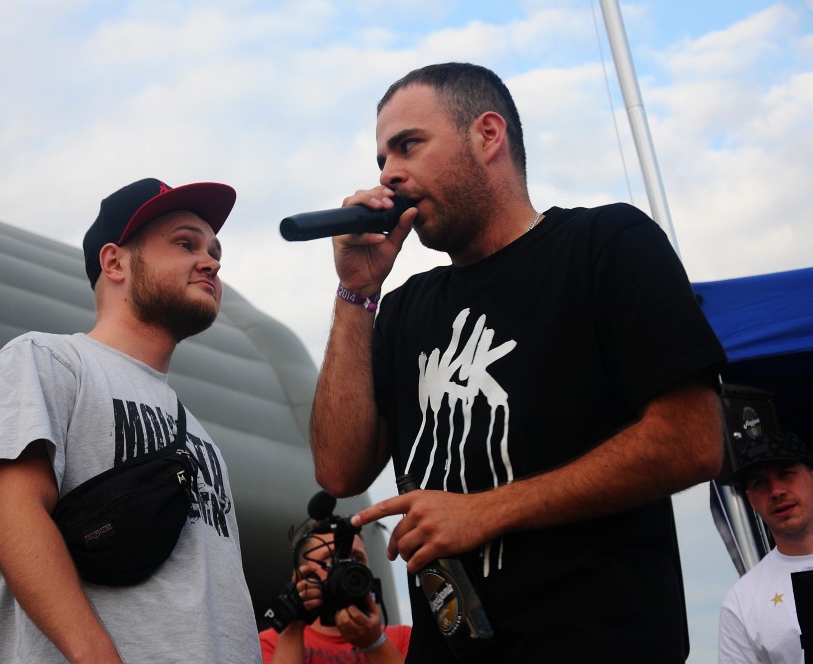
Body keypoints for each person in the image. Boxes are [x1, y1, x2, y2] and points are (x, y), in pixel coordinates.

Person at [309, 62, 727, 663]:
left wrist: (486, 510)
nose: (388, 174)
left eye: (408, 145)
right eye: (381, 159)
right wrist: (356, 293)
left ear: (487, 135)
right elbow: (339, 472)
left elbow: (694, 438)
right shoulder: (401, 310)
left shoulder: (605, 244)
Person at [0, 178, 261, 663]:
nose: (211, 262)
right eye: (186, 244)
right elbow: (13, 517)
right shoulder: (48, 361)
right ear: (115, 262)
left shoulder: (199, 434)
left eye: (214, 250)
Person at [718, 432, 813, 663]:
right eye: (760, 483)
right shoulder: (741, 602)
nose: (776, 491)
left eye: (785, 474)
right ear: (751, 500)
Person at [260, 529, 411, 663]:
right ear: (304, 574)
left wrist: (375, 643)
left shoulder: (404, 637)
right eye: (332, 560)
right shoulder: (268, 643)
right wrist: (294, 626)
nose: (349, 567)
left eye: (357, 558)